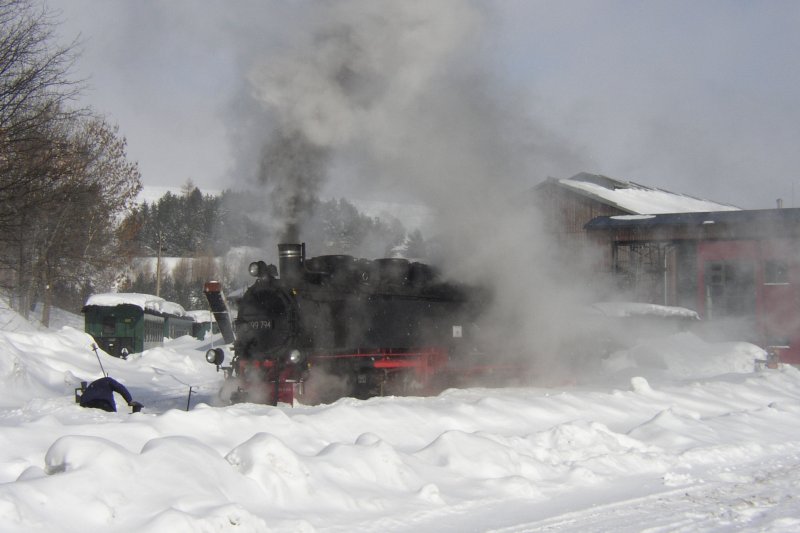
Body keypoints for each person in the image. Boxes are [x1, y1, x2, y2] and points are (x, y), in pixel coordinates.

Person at [78, 376, 143, 413]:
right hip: (101, 403)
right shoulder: (109, 381)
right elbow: (121, 389)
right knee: (110, 411)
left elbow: (84, 397)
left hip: (85, 403)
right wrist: (130, 401)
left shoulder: (93, 384)